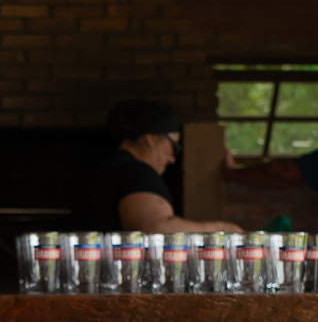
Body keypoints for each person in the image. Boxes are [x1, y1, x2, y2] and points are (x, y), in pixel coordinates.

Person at [95, 99, 241, 235]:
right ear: (150, 139)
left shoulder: (110, 167)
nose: (172, 159)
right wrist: (220, 229)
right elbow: (156, 228)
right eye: (174, 146)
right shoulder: (136, 172)